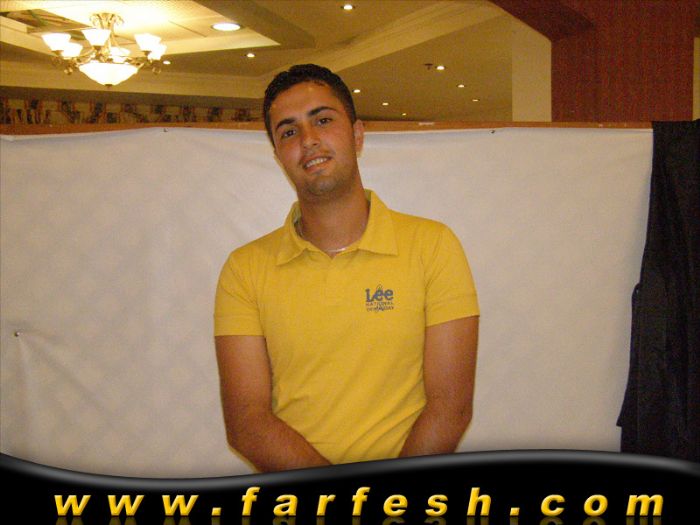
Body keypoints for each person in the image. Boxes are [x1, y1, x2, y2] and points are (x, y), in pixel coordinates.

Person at [214, 64, 479, 472]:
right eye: (289, 131)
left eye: (322, 120)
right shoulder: (244, 270)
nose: (308, 140)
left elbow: (451, 408)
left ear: (357, 135)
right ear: (278, 156)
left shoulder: (433, 246)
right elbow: (247, 423)